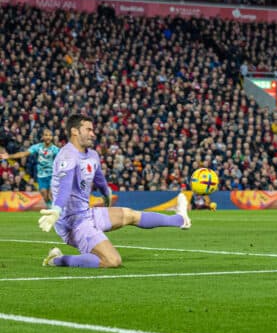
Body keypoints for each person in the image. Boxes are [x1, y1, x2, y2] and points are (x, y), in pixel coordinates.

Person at [39, 114, 191, 268]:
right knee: (112, 261)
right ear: (75, 131)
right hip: (72, 222)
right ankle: (56, 260)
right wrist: (56, 209)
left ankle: (180, 220)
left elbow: (99, 180)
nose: (93, 133)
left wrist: (106, 193)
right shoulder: (67, 155)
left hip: (86, 213)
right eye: (88, 129)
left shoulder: (92, 155)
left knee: (130, 215)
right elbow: (65, 185)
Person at [0, 129, 59, 206]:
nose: (48, 137)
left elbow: (64, 159)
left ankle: (55, 213)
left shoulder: (55, 149)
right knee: (45, 195)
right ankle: (50, 207)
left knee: (51, 194)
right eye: (46, 135)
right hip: (41, 176)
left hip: (52, 175)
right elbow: (23, 154)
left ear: (52, 137)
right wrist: (9, 156)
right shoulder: (37, 147)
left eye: (50, 135)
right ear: (42, 137)